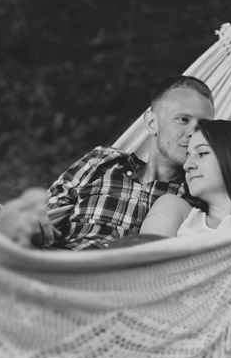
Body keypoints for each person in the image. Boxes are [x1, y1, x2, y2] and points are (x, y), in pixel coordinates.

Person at [41, 75, 215, 250]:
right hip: (62, 265)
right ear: (152, 123)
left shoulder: (197, 194)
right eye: (183, 119)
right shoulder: (103, 161)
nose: (194, 132)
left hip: (130, 273)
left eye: (204, 125)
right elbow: (44, 215)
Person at [139, 119, 231, 238]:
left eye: (202, 153)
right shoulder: (175, 209)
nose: (186, 165)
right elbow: (143, 261)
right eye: (187, 156)